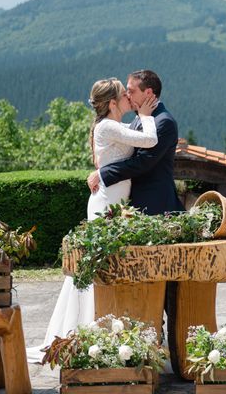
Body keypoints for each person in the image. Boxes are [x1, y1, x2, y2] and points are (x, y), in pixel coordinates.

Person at [27, 77, 158, 363]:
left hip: (113, 201)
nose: (128, 99)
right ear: (112, 103)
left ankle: (94, 326)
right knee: (97, 263)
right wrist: (147, 116)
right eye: (124, 95)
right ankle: (84, 329)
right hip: (107, 203)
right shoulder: (109, 126)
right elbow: (149, 140)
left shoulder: (112, 125)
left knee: (102, 263)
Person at [87, 69, 184, 214]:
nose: (127, 95)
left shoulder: (163, 122)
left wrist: (103, 173)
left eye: (131, 91)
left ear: (148, 93)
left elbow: (143, 162)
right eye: (126, 91)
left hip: (154, 201)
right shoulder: (141, 116)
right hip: (130, 200)